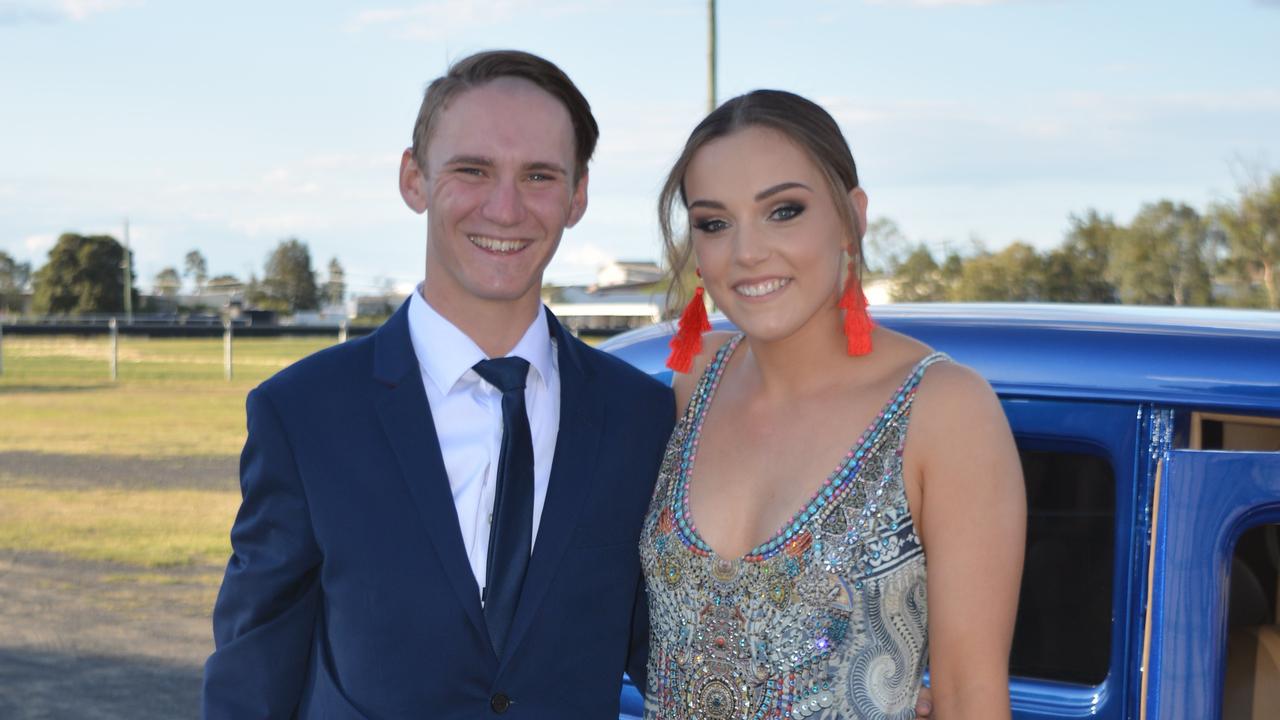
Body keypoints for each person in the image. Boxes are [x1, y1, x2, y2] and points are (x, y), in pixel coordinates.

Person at [201, 50, 676, 718]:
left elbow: (674, 655)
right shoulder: (305, 413)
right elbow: (254, 674)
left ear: (578, 195)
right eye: (472, 170)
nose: (505, 208)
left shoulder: (641, 416)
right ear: (414, 179)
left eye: (539, 175)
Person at [640, 90, 1026, 719]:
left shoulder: (945, 410)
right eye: (714, 223)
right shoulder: (694, 381)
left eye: (783, 211)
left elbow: (970, 697)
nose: (746, 252)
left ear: (851, 216)